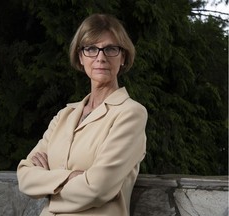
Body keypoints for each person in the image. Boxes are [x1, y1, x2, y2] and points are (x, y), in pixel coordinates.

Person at [17, 13, 148, 216]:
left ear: (123, 57)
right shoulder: (64, 116)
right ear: (80, 57)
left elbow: (97, 189)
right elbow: (25, 176)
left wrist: (48, 185)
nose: (100, 57)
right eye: (91, 48)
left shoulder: (131, 114)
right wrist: (72, 177)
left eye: (111, 49)